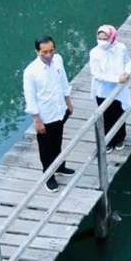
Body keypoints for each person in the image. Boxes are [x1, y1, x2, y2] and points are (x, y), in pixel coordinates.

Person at [23, 36, 75, 192]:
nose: (48, 55)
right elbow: (30, 97)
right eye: (44, 52)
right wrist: (36, 119)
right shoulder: (31, 71)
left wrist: (68, 101)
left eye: (51, 51)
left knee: (57, 141)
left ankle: (60, 166)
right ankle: (48, 176)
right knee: (46, 148)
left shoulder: (58, 60)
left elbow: (63, 80)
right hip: (45, 115)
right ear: (37, 51)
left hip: (59, 109)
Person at [90, 25, 131, 152]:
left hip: (119, 89)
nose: (102, 41)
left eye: (105, 38)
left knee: (119, 112)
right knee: (106, 115)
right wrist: (116, 79)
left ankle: (120, 138)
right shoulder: (94, 53)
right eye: (100, 38)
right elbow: (96, 74)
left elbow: (128, 61)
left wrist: (127, 72)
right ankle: (108, 140)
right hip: (103, 90)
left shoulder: (121, 48)